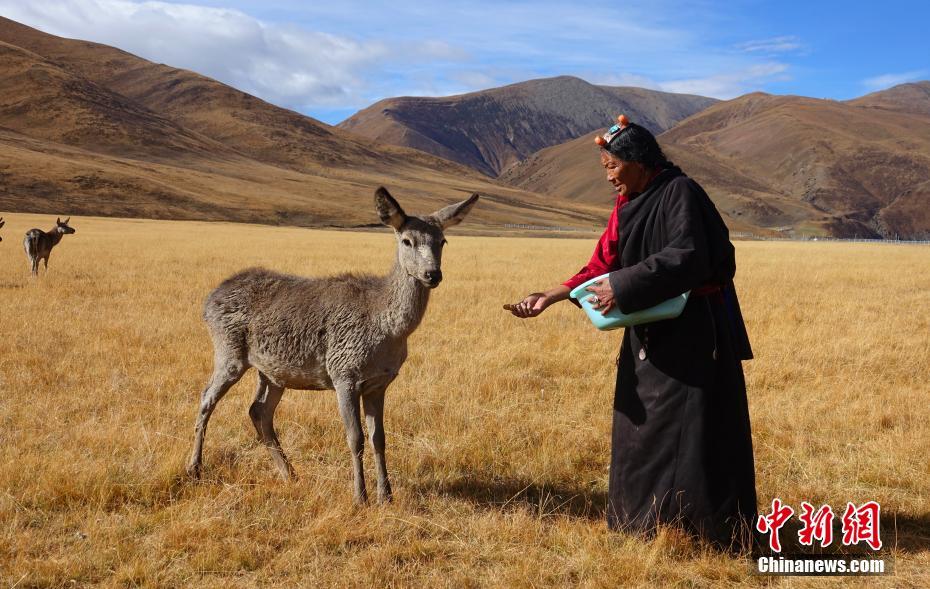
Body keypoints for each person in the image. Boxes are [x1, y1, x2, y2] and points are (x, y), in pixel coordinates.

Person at [508, 115, 758, 550]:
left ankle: (705, 535)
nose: (609, 177)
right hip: (649, 331)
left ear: (638, 161)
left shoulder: (680, 192)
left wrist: (623, 286)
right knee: (639, 430)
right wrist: (550, 295)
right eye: (605, 168)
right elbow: (602, 264)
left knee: (697, 434)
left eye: (612, 166)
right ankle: (639, 528)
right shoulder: (626, 205)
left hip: (696, 335)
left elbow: (689, 255)